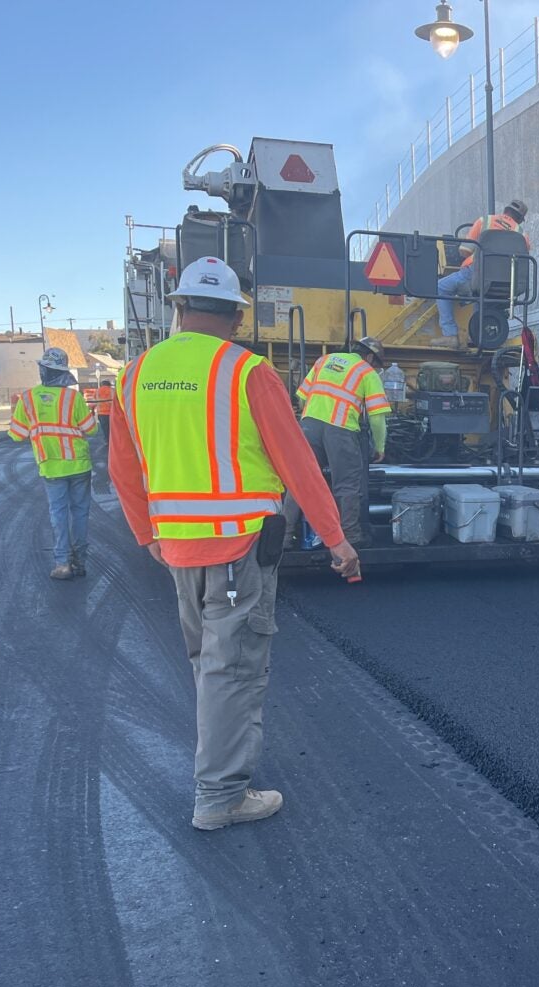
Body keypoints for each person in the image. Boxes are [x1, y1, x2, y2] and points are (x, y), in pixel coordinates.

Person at [109, 256, 360, 831]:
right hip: (237, 547)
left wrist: (146, 532)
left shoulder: (135, 374)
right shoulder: (245, 371)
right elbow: (296, 461)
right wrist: (336, 539)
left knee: (207, 663)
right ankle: (220, 795)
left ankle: (219, 772)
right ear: (236, 316)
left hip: (176, 545)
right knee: (234, 668)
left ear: (178, 308)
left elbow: (123, 467)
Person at [9, 347, 97, 580]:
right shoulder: (74, 397)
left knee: (58, 514)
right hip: (79, 466)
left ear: (43, 371)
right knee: (80, 514)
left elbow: (16, 435)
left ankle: (62, 564)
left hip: (50, 467)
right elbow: (92, 428)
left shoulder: (27, 399)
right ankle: (79, 562)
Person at [295, 336, 392, 547]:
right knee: (347, 485)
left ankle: (286, 535)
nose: (375, 368)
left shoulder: (324, 360)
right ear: (369, 357)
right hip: (340, 429)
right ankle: (351, 536)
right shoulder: (366, 371)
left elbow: (302, 397)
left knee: (300, 481)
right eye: (376, 364)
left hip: (309, 424)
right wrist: (380, 446)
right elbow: (377, 416)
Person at [430, 198, 529, 348]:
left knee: (441, 287)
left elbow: (465, 251)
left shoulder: (485, 221)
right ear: (520, 219)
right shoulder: (523, 235)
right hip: (510, 283)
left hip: (477, 274)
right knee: (482, 296)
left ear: (505, 211)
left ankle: (450, 335)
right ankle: (476, 335)